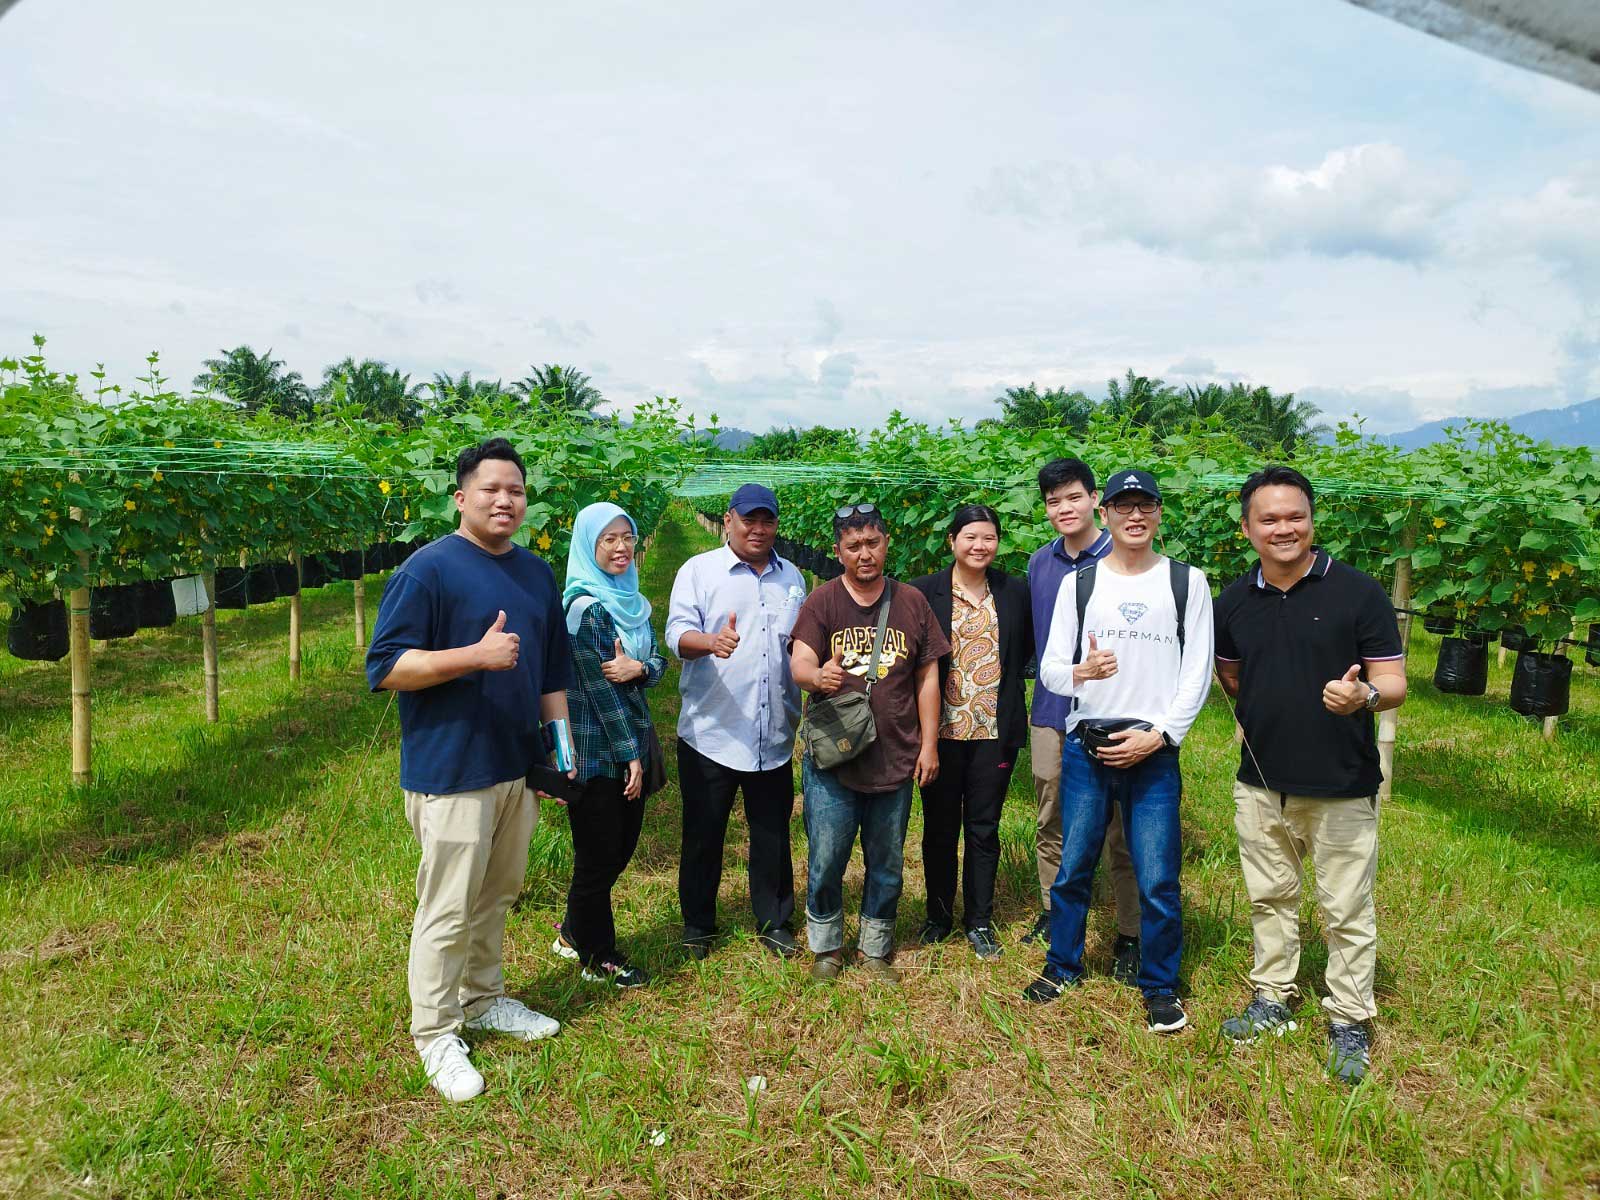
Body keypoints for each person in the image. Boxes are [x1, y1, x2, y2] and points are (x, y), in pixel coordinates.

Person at [366, 437, 573, 1104]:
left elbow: (551, 674)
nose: (505, 500)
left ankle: (484, 999)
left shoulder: (538, 575)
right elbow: (388, 668)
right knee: (448, 907)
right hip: (452, 768)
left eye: (515, 489)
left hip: (515, 767)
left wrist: (562, 757)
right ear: (461, 497)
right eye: (491, 489)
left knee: (498, 893)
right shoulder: (427, 571)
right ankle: (435, 1033)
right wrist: (472, 657)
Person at [1212, 465, 1406, 1085]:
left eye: (1295, 516)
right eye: (1268, 519)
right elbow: (1232, 677)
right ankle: (1273, 996)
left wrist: (1364, 700)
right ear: (1247, 529)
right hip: (1260, 781)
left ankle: (1350, 1018)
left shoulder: (1358, 592)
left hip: (1343, 782)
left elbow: (1394, 682)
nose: (1284, 528)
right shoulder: (1234, 600)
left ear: (1312, 519)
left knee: (1346, 906)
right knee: (1270, 898)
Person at [1024, 469, 1213, 1036]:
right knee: (1074, 865)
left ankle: (1159, 985)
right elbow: (1053, 667)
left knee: (1157, 874)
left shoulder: (1187, 582)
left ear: (1159, 515)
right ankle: (1062, 966)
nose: (1135, 516)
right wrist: (1080, 671)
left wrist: (1161, 735)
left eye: (1146, 507)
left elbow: (1197, 672)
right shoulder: (1080, 585)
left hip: (1153, 748)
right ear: (1105, 513)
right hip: (1089, 746)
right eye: (1124, 507)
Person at [790, 503, 949, 984]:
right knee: (826, 857)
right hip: (834, 760)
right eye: (854, 546)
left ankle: (876, 948)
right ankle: (827, 947)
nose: (865, 553)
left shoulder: (911, 603)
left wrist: (929, 746)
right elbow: (799, 662)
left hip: (895, 756)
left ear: (886, 545)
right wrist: (818, 676)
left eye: (872, 543)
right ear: (839, 552)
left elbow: (927, 676)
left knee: (886, 861)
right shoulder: (822, 602)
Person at [665, 483, 807, 959]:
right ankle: (698, 924)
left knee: (771, 831)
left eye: (767, 521)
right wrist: (710, 642)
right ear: (728, 521)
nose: (758, 529)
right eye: (749, 520)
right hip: (713, 730)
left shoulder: (793, 578)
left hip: (774, 732)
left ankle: (774, 920)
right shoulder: (699, 571)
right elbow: (676, 634)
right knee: (704, 832)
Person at [1023, 458, 1142, 985]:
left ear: (1096, 500)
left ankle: (1130, 931)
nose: (1064, 509)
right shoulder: (1039, 564)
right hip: (1053, 710)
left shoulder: (1123, 559)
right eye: (1053, 501)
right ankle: (1055, 911)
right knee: (1050, 814)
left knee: (1120, 828)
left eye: (1073, 497)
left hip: (1113, 711)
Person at [552, 501, 668, 988]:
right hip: (597, 750)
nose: (621, 548)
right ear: (588, 545)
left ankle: (572, 930)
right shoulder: (585, 609)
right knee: (599, 855)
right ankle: (599, 956)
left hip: (629, 741)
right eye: (608, 540)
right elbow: (602, 693)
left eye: (627, 538)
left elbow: (658, 662)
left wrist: (640, 669)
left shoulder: (633, 602)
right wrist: (630, 756)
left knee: (620, 847)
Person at [910, 504, 1032, 959]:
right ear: (952, 542)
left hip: (994, 731)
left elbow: (1029, 652)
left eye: (989, 538)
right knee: (939, 829)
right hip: (939, 732)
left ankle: (979, 921)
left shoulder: (1015, 592)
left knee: (984, 828)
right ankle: (938, 916)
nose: (980, 546)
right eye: (970, 537)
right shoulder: (924, 594)